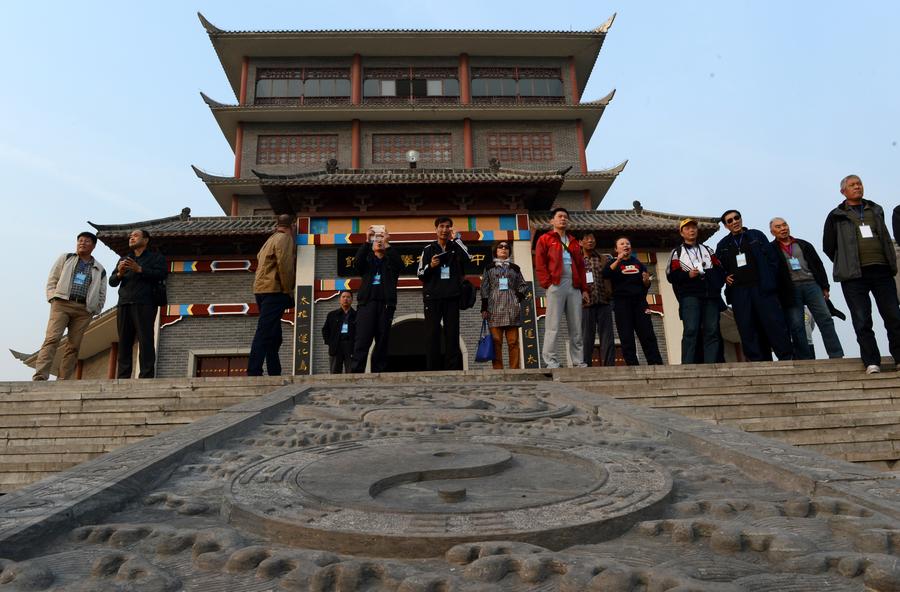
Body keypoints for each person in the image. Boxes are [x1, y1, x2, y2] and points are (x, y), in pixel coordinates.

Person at [823, 175, 900, 374]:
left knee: (893, 316)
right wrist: (846, 261)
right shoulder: (836, 215)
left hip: (881, 269)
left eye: (859, 184)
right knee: (862, 319)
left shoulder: (875, 209)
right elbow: (828, 246)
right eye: (852, 185)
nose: (857, 187)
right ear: (843, 191)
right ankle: (872, 361)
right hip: (853, 276)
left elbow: (884, 236)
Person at [715, 210, 792, 362]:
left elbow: (773, 259)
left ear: (741, 219)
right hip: (739, 292)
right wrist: (724, 276)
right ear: (725, 226)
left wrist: (770, 280)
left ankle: (786, 357)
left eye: (736, 218)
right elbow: (718, 267)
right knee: (748, 327)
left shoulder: (756, 235)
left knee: (773, 324)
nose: (734, 222)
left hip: (762, 288)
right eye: (729, 221)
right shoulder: (723, 245)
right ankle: (758, 362)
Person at [33, 232, 107, 381]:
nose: (82, 243)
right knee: (52, 339)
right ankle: (40, 375)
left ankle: (63, 379)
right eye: (80, 240)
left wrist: (95, 308)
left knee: (73, 346)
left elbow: (102, 292)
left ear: (93, 246)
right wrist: (53, 297)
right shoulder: (66, 258)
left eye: (86, 241)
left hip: (83, 310)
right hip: (62, 304)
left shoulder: (99, 268)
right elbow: (53, 279)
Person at [770, 217, 844, 360]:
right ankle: (805, 358)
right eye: (778, 227)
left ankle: (836, 355)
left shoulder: (803, 244)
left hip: (811, 284)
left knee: (825, 319)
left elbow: (818, 264)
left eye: (784, 225)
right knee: (797, 325)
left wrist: (824, 287)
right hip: (790, 289)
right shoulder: (771, 249)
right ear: (772, 231)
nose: (783, 228)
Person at [109, 228, 167, 378]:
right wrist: (120, 273)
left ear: (146, 240)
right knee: (124, 342)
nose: (131, 238)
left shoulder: (156, 258)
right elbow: (112, 282)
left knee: (145, 340)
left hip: (145, 302)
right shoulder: (124, 259)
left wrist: (139, 269)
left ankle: (146, 375)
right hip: (124, 303)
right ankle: (123, 377)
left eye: (135, 236)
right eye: (130, 236)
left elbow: (161, 274)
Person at [666, 218, 726, 364]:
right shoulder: (677, 252)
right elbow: (671, 276)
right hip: (690, 296)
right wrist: (688, 275)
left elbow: (720, 270)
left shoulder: (707, 250)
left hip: (710, 296)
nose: (691, 230)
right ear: (682, 233)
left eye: (693, 227)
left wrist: (715, 285)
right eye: (687, 228)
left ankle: (712, 364)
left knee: (712, 330)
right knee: (691, 330)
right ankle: (687, 365)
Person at [535, 207, 588, 368]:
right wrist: (547, 283)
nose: (563, 219)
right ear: (552, 221)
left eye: (565, 217)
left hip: (574, 285)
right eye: (559, 216)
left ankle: (578, 361)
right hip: (556, 284)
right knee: (553, 324)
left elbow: (580, 266)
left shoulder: (573, 241)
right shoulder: (545, 239)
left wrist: (584, 289)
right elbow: (540, 263)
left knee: (576, 325)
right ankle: (551, 361)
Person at [417, 217, 471, 371]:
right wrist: (431, 266)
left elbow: (468, 259)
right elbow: (420, 273)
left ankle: (452, 369)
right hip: (432, 298)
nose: (444, 230)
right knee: (432, 334)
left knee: (452, 334)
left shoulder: (455, 247)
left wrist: (457, 240)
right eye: (441, 226)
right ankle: (432, 370)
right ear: (436, 229)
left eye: (448, 227)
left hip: (452, 297)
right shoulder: (428, 249)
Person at [603, 237, 663, 365]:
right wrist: (618, 259)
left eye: (628, 243)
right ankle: (632, 364)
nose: (625, 245)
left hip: (640, 303)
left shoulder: (638, 263)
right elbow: (606, 274)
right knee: (626, 336)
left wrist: (646, 282)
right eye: (622, 244)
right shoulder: (613, 263)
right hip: (621, 304)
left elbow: (645, 285)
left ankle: (656, 363)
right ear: (616, 249)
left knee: (647, 334)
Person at [248, 214, 295, 376]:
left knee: (274, 335)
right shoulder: (284, 239)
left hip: (260, 290)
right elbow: (285, 266)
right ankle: (254, 370)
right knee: (264, 331)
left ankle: (275, 371)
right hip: (274, 290)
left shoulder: (270, 240)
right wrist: (288, 290)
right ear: (292, 226)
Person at [352, 227, 402, 373]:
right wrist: (367, 241)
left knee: (382, 341)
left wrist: (388, 244)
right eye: (376, 240)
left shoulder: (390, 262)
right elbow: (357, 264)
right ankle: (356, 372)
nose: (378, 242)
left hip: (386, 306)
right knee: (362, 340)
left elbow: (400, 265)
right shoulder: (367, 263)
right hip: (366, 305)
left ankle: (379, 373)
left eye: (381, 240)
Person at [480, 240, 528, 369]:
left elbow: (523, 285)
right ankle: (498, 369)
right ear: (495, 250)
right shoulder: (489, 268)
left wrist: (517, 297)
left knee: (513, 342)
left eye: (506, 247)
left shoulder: (515, 268)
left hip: (511, 308)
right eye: (500, 247)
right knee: (496, 342)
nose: (503, 249)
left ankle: (515, 369)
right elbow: (484, 288)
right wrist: (484, 308)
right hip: (494, 308)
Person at [580, 232, 615, 366]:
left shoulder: (603, 258)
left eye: (592, 238)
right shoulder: (577, 259)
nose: (590, 241)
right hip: (585, 304)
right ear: (580, 242)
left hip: (604, 301)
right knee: (586, 337)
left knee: (607, 336)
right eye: (587, 238)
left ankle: (609, 365)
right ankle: (585, 365)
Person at [322, 290, 356, 374]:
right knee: (335, 372)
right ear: (340, 299)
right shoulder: (332, 315)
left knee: (352, 372)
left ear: (352, 300)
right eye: (343, 297)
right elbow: (325, 330)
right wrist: (330, 342)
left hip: (351, 346)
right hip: (336, 346)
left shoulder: (357, 315)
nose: (345, 299)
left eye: (348, 297)